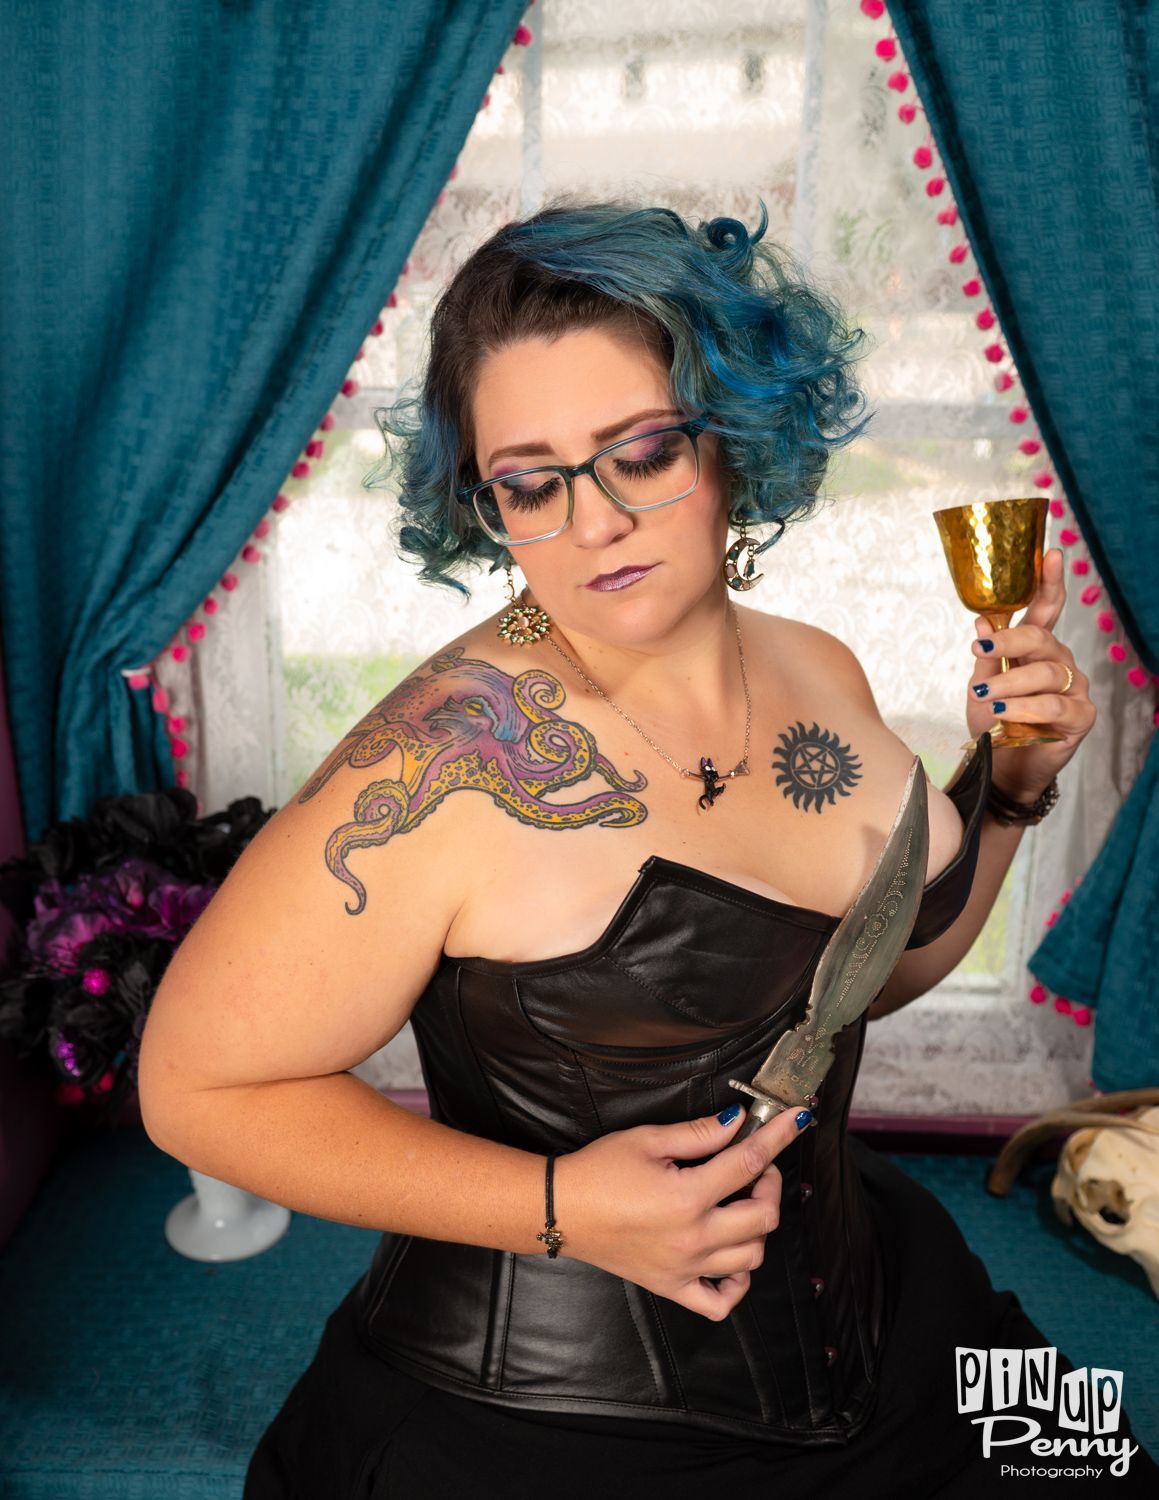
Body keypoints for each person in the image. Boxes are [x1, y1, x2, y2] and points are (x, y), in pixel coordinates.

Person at [138, 197, 1157, 1497]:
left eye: (642, 451)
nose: (595, 522)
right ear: (484, 502)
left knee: (1100, 1473)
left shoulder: (818, 669)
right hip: (549, 1428)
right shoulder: (444, 764)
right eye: (532, 482)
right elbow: (194, 1091)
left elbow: (853, 987)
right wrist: (560, 1209)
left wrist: (1010, 789)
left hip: (888, 1316)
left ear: (731, 434)